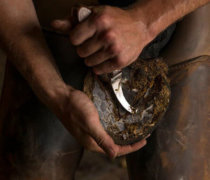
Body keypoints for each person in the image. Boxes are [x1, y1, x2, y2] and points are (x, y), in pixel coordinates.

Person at [0, 0, 209, 179]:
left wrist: (146, 21)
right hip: (56, 22)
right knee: (31, 167)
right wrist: (56, 94)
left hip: (180, 20)